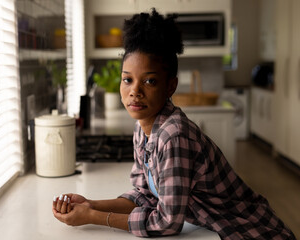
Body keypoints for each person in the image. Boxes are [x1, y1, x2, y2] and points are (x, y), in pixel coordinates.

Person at [52, 8, 296, 240]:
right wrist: (89, 204)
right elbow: (145, 196)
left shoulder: (174, 135)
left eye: (149, 81)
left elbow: (166, 223)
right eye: (127, 79)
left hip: (253, 233)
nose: (134, 91)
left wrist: (93, 217)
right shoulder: (144, 128)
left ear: (171, 86)